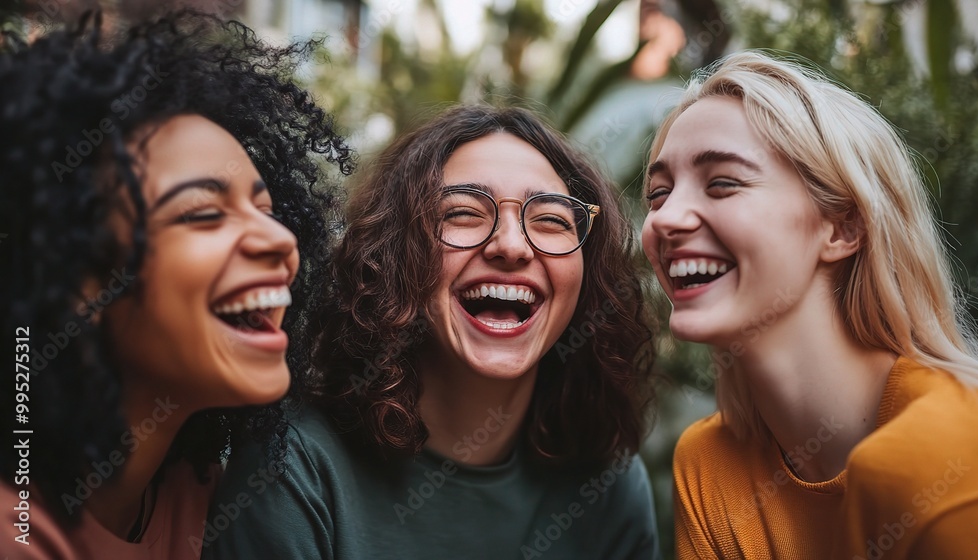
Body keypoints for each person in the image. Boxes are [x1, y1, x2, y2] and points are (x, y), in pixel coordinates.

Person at [202, 105, 661, 560]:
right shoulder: (294, 465)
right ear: (393, 256)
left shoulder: (610, 484)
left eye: (550, 219)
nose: (511, 246)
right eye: (463, 212)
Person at [0, 11, 351, 559]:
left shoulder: (199, 493)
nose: (281, 240)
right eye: (203, 214)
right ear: (76, 279)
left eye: (267, 209)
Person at [642, 50, 978, 559]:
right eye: (657, 195)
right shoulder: (708, 465)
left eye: (722, 183)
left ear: (843, 226)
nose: (665, 220)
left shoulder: (951, 451)